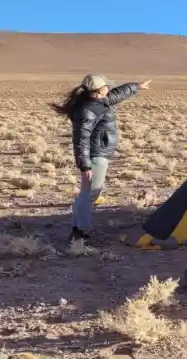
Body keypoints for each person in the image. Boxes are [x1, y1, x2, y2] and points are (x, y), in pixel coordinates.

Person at [51, 74, 152, 242]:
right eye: (106, 86)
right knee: (91, 194)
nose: (108, 88)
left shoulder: (98, 102)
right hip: (95, 156)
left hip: (97, 153)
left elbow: (118, 94)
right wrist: (85, 165)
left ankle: (78, 229)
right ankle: (81, 232)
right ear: (97, 91)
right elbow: (81, 139)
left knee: (85, 193)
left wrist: (137, 86)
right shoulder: (89, 110)